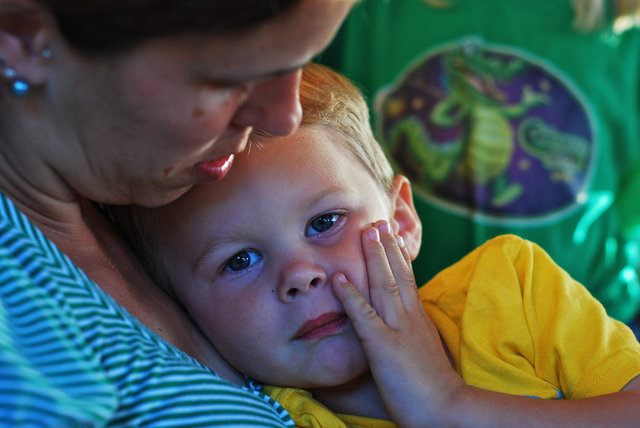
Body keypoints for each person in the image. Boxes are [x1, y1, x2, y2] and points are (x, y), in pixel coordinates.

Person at [111, 63, 640, 428]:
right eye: (239, 261)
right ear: (181, 309)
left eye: (325, 222)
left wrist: (449, 407)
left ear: (403, 219)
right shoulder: (276, 416)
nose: (300, 274)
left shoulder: (510, 284)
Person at [0, 0, 354, 425]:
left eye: (299, 58)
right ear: (19, 42)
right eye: (232, 77)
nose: (284, 117)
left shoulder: (122, 191)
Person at [318, 0, 640, 329]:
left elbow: (631, 200)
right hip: (407, 325)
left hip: (584, 328)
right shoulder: (367, 14)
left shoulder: (624, 37)